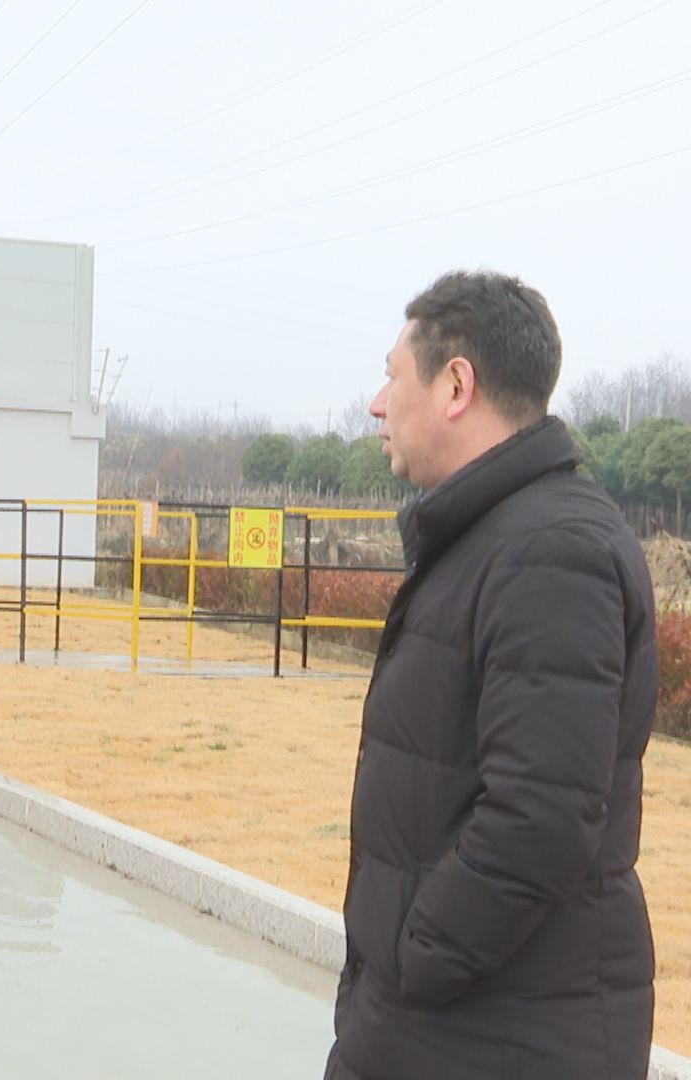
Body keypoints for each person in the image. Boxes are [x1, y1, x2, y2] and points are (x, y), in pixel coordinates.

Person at [326, 271, 656, 1079]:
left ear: (455, 385)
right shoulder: (492, 536)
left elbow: (541, 815)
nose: (376, 403)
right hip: (446, 1027)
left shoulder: (551, 551)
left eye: (393, 376)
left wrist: (418, 957)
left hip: (496, 1034)